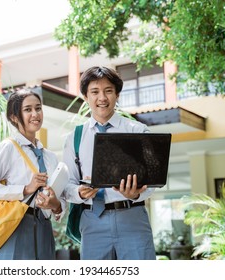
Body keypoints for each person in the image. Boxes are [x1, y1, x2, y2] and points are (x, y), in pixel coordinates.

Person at [62, 66, 156, 260]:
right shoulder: (75, 138)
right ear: (86, 97)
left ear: (117, 95)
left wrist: (137, 193)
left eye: (108, 91)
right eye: (95, 92)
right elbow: (67, 185)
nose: (102, 98)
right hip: (92, 221)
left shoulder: (138, 132)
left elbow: (153, 178)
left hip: (132, 218)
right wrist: (79, 192)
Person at [0, 89, 65, 260]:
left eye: (38, 108)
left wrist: (56, 205)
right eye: (28, 109)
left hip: (44, 229)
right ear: (14, 117)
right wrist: (25, 189)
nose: (35, 114)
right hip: (15, 227)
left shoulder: (50, 156)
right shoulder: (8, 147)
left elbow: (60, 202)